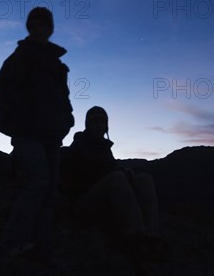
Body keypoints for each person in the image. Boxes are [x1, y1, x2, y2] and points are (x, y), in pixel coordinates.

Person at [0, 7, 74, 264]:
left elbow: (64, 98)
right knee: (36, 183)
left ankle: (41, 244)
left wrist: (67, 120)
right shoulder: (19, 59)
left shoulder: (57, 65)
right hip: (28, 135)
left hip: (52, 135)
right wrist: (23, 122)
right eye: (36, 24)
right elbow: (3, 93)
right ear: (30, 27)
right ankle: (14, 241)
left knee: (49, 190)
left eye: (45, 24)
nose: (41, 28)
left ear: (50, 28)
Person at [61, 106, 166, 265]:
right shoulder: (79, 146)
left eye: (102, 121)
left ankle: (150, 234)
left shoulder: (104, 148)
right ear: (87, 125)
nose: (99, 125)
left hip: (104, 196)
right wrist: (117, 171)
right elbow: (85, 177)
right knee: (117, 178)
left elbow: (110, 167)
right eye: (94, 121)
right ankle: (135, 239)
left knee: (144, 179)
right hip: (83, 202)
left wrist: (124, 171)